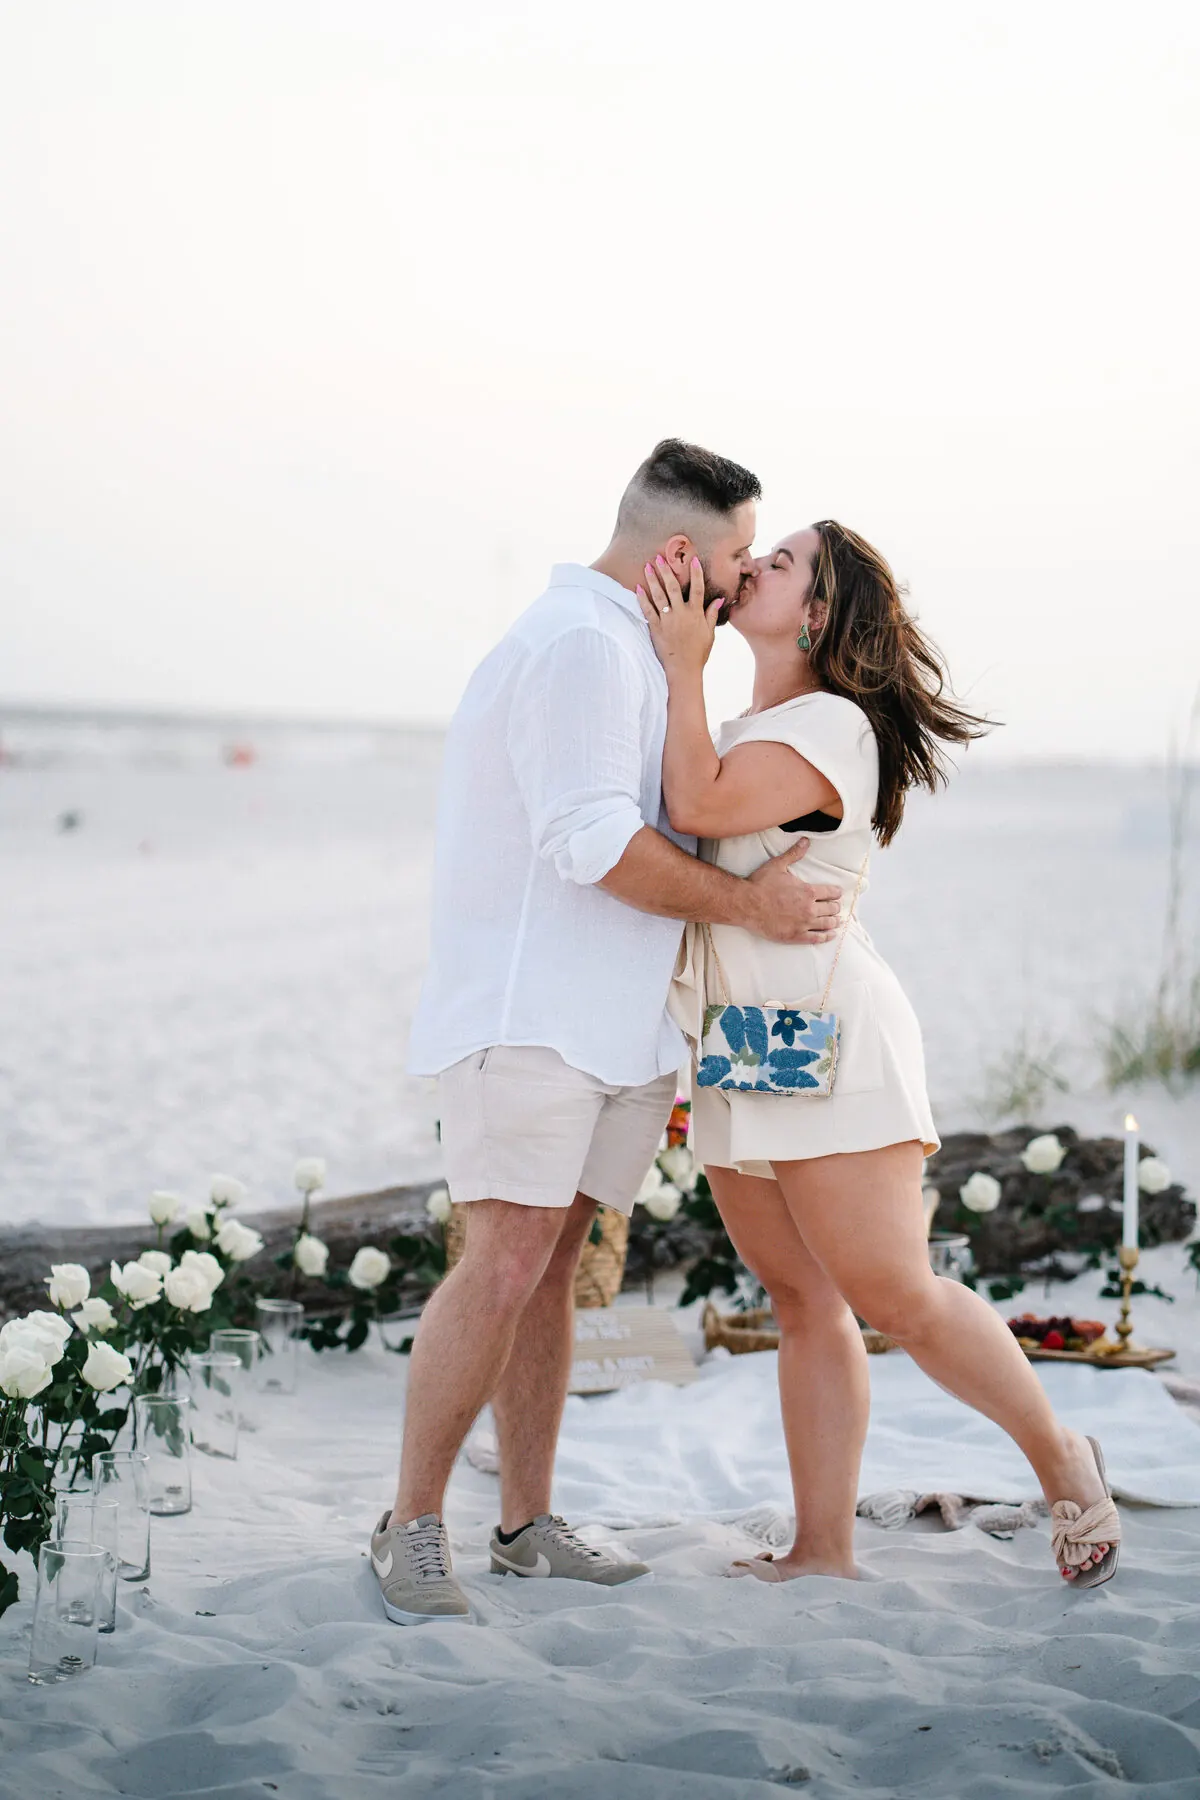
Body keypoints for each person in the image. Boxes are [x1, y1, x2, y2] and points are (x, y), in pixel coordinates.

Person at [372, 441, 844, 1625]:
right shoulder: (583, 646)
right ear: (680, 552)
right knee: (504, 1265)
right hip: (533, 1019)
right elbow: (594, 843)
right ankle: (410, 1525)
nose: (743, 579)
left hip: (611, 1030)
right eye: (740, 554)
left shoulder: (640, 651)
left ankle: (526, 1523)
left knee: (548, 1280)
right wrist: (752, 905)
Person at [637, 524, 1121, 1591]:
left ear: (818, 614)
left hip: (831, 1038)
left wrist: (680, 662)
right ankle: (823, 1547)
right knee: (800, 1299)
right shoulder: (755, 720)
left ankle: (1063, 1462)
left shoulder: (830, 727)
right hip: (742, 1045)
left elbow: (697, 806)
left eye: (785, 562)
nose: (756, 564)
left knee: (894, 1290)